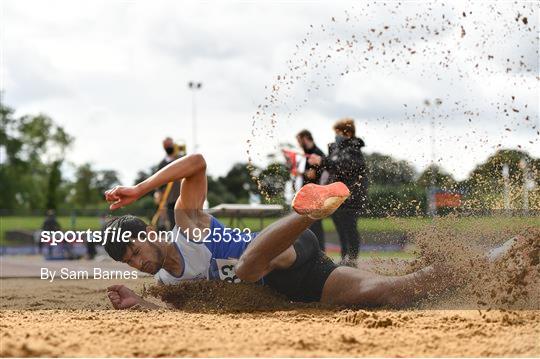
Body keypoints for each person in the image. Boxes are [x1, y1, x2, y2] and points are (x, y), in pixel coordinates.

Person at [102, 153, 515, 310]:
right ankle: (496, 261)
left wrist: (139, 189)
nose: (138, 264)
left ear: (149, 233)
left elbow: (196, 162)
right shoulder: (163, 282)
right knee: (388, 294)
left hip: (290, 245)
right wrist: (141, 304)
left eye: (135, 251)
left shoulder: (186, 224)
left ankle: (308, 208)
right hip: (298, 282)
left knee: (247, 267)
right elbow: (180, 314)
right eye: (130, 263)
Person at [308, 118, 368, 266]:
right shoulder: (336, 150)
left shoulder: (354, 150)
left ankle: (352, 258)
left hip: (351, 196)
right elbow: (331, 168)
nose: (336, 135)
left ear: (347, 133)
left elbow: (345, 167)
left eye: (338, 132)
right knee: (341, 229)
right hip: (335, 197)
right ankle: (344, 256)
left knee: (349, 228)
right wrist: (317, 166)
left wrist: (322, 161)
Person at [296, 129, 327, 251]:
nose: (298, 144)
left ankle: (320, 252)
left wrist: (299, 173)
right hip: (308, 194)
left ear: (305, 139)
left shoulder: (316, 153)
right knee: (308, 226)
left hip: (315, 195)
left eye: (299, 141)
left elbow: (312, 175)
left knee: (315, 226)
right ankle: (314, 251)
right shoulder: (307, 154)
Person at [154, 137, 182, 230]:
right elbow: (158, 181)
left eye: (170, 144)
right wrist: (158, 193)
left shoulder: (181, 158)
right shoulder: (162, 164)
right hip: (169, 198)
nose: (169, 146)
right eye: (167, 145)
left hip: (182, 195)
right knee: (172, 222)